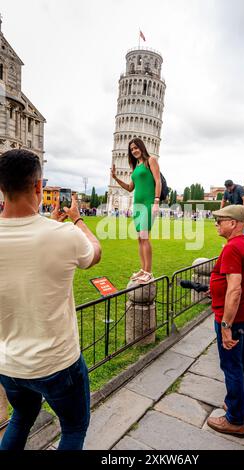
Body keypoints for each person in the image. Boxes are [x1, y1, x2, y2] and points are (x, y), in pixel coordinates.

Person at [0, 149, 101, 450]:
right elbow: (94, 253)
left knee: (21, 418)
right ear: (38, 187)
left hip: (10, 363)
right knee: (73, 428)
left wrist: (50, 223)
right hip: (57, 362)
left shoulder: (55, 233)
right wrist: (77, 221)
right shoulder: (64, 235)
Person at [206, 205, 244, 438]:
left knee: (232, 366)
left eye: (221, 220)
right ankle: (243, 409)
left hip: (235, 317)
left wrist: (226, 325)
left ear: (234, 223)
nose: (217, 224)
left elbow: (235, 290)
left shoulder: (233, 248)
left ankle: (235, 420)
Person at [111, 138, 161, 284]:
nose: (134, 151)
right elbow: (129, 188)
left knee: (145, 237)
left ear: (141, 147)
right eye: (131, 149)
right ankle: (143, 269)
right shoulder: (136, 167)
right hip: (137, 205)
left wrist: (156, 201)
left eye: (136, 148)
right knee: (140, 238)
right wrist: (115, 178)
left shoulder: (151, 160)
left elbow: (158, 181)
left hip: (149, 203)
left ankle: (149, 272)